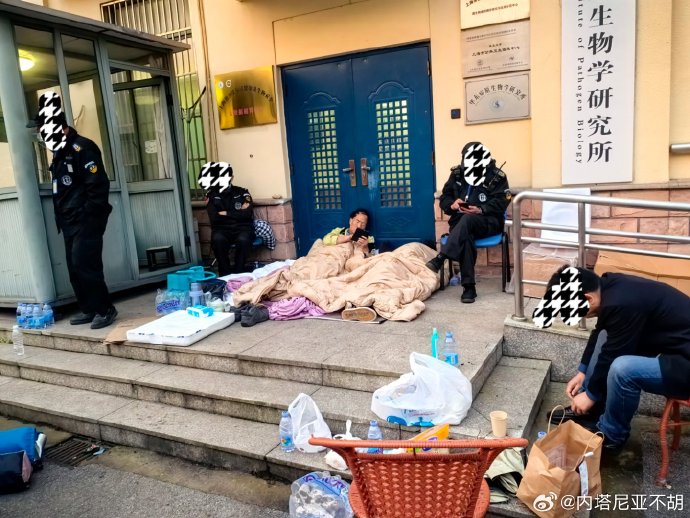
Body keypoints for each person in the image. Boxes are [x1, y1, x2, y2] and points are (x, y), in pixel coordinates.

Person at [548, 265, 690, 451]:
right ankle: (592, 410)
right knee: (605, 336)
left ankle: (612, 435)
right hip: (676, 350)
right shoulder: (609, 287)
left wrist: (591, 395)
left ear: (587, 299)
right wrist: (582, 372)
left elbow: (613, 354)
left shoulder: (622, 303)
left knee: (622, 369)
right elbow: (600, 332)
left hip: (685, 364)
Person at [31, 93, 117, 329]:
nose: (41, 134)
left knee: (85, 264)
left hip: (86, 219)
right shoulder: (60, 150)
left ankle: (105, 309)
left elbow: (98, 187)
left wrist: (88, 214)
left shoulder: (83, 148)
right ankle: (89, 308)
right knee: (74, 267)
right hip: (68, 220)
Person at [425, 142, 511, 303]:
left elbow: (502, 201)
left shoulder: (496, 176)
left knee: (468, 221)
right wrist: (452, 204)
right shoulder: (457, 174)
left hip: (488, 222)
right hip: (461, 223)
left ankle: (442, 256)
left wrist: (481, 209)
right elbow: (444, 198)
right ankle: (469, 288)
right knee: (465, 234)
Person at [205, 165, 255, 276]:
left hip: (242, 228)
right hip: (222, 229)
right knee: (218, 240)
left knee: (243, 240)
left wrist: (226, 213)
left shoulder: (242, 192)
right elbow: (214, 217)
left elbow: (247, 214)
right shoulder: (212, 194)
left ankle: (239, 272)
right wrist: (238, 213)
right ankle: (225, 274)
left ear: (231, 177)